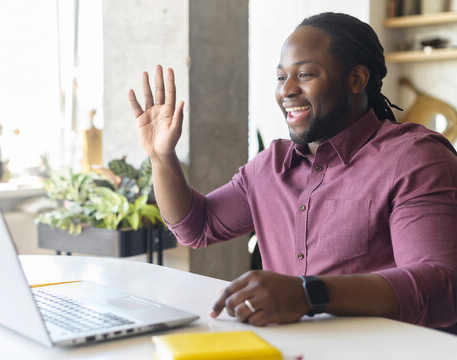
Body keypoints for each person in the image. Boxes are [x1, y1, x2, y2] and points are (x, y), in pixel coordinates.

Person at [127, 12, 457, 329]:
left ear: (356, 79)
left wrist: (308, 293)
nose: (286, 90)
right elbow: (196, 227)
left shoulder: (415, 158)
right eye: (281, 77)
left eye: (305, 74)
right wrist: (161, 157)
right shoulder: (269, 167)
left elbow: (441, 285)